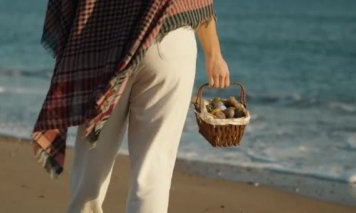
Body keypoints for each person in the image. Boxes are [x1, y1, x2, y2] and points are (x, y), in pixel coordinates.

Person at [32, 0, 230, 212]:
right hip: (168, 40)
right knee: (153, 165)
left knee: (92, 158)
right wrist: (214, 54)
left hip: (104, 45)